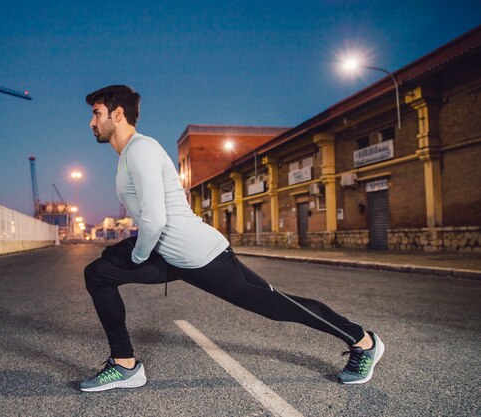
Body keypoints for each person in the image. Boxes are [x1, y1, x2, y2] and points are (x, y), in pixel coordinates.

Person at [80, 85, 384, 392]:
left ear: (117, 115)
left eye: (97, 114)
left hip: (200, 256)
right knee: (99, 274)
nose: (92, 123)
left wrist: (136, 255)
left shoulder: (141, 149)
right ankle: (125, 364)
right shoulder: (129, 155)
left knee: (276, 307)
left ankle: (363, 340)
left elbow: (155, 219)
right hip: (170, 255)